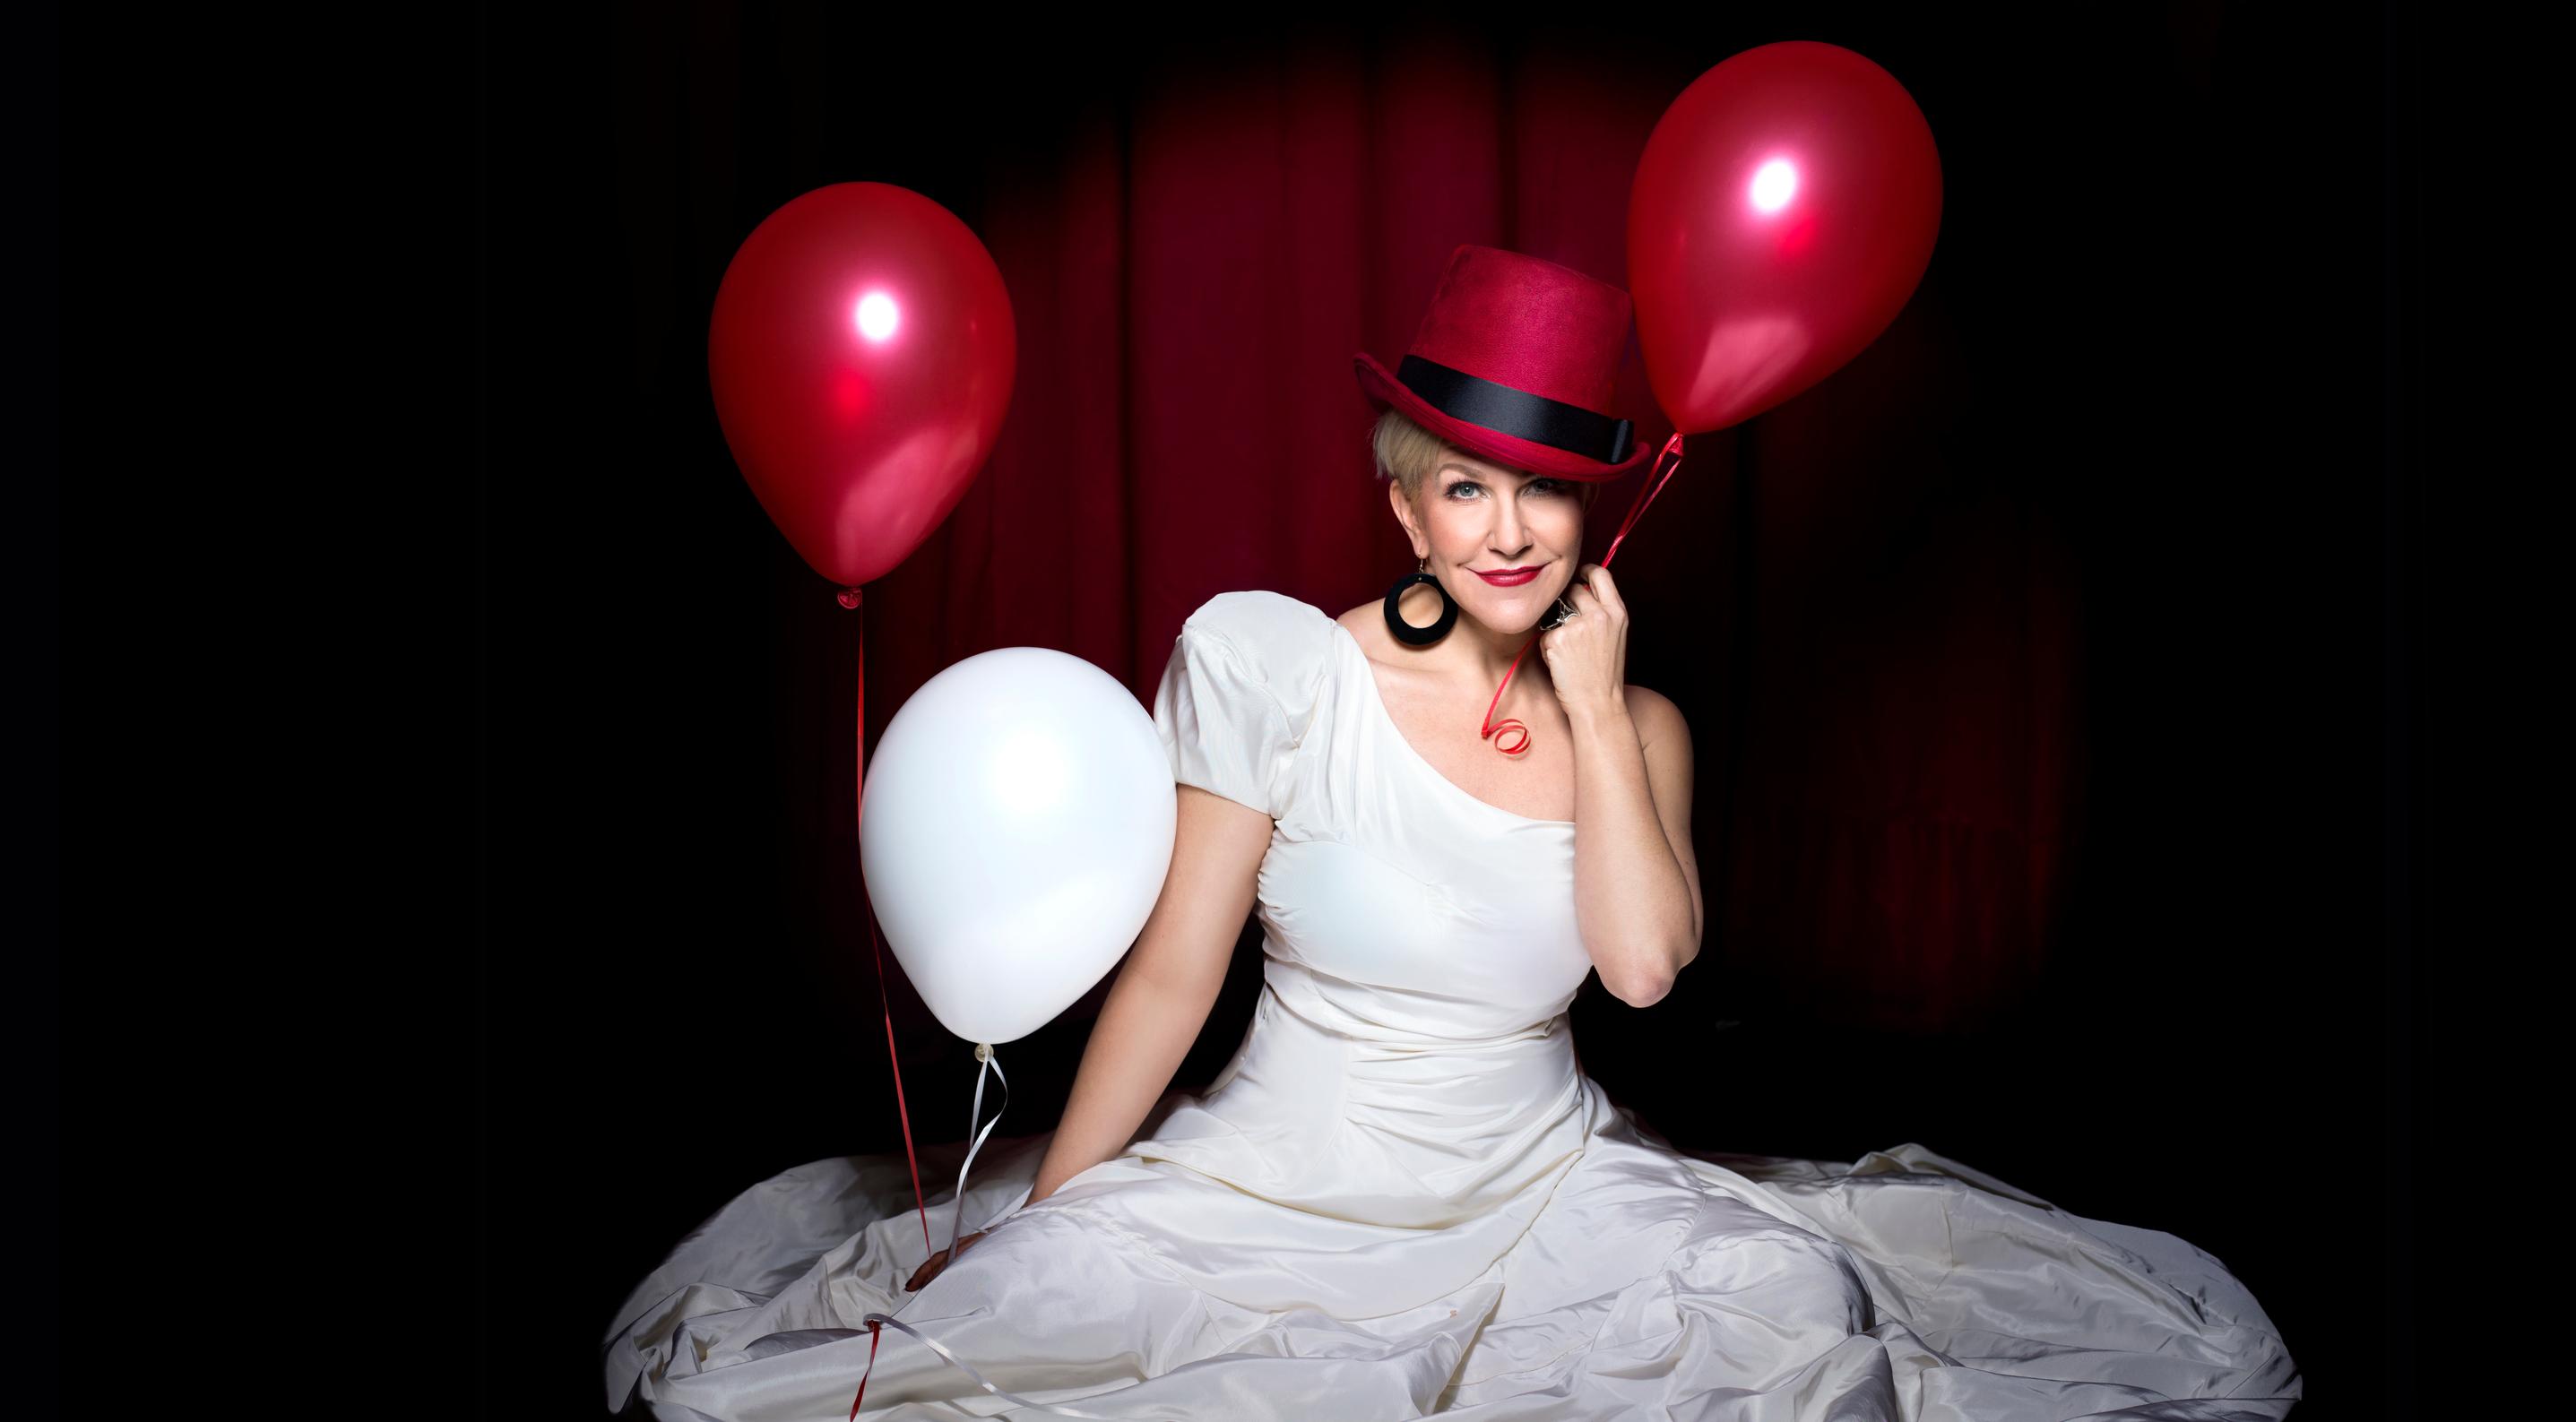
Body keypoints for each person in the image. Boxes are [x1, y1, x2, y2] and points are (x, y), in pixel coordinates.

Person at [605, 247, 2298, 1421]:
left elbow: (1640, 970)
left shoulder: (1643, 729)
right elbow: (1176, 976)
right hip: (1276, 1177)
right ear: (1404, 497)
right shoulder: (1275, 668)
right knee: (1042, 1331)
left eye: (1546, 490)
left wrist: (1608, 693)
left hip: (1538, 1183)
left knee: (1790, 1321)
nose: (1505, 530)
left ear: (1595, 511)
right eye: (1464, 486)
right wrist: (1053, 1211)